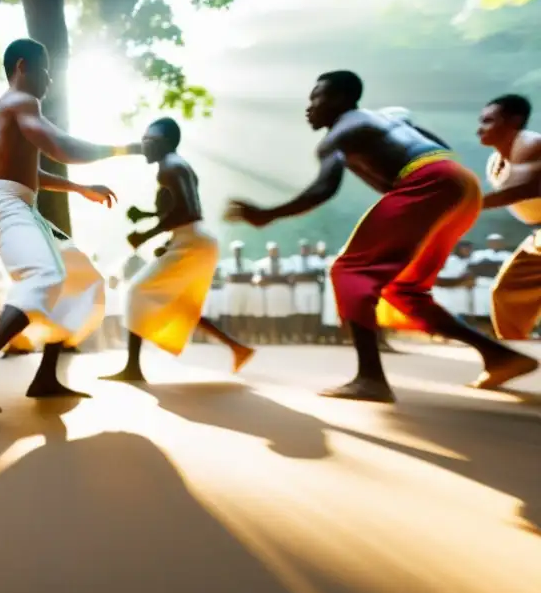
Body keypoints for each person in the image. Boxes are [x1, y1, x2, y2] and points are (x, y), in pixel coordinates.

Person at [226, 72, 537, 402]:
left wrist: (267, 214)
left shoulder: (339, 133)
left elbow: (323, 189)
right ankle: (500, 356)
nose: (310, 107)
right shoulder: (386, 119)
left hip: (427, 183)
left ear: (343, 100)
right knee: (403, 289)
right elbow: (440, 148)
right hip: (461, 183)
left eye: (317, 98)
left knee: (349, 270)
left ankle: (370, 379)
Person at [0, 38, 135, 413]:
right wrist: (122, 149)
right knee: (43, 276)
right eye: (45, 69)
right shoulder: (22, 101)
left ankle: (46, 376)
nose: (50, 79)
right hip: (6, 207)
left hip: (16, 204)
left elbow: (31, 170)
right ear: (22, 67)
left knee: (77, 276)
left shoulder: (10, 109)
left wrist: (79, 188)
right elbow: (59, 146)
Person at [101, 117, 252, 382]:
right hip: (194, 241)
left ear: (167, 143)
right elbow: (179, 209)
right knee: (182, 305)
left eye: (152, 141)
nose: (145, 145)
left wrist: (146, 235)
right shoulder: (176, 165)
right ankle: (238, 348)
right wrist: (148, 216)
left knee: (136, 291)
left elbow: (187, 211)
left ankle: (132, 368)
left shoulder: (169, 167)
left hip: (193, 242)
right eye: (144, 140)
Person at [477, 94, 541, 339]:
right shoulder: (495, 160)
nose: (479, 129)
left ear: (514, 121)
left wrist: (465, 204)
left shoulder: (531, 144)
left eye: (488, 121)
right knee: (506, 294)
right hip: (538, 236)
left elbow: (523, 190)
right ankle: (515, 356)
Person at [289, 239, 325, 343]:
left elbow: (319, 272)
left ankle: (313, 335)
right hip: (300, 287)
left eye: (306, 248)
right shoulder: (294, 259)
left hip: (313, 287)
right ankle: (301, 335)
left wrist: (306, 275)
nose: (304, 250)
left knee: (314, 311)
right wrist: (305, 276)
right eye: (302, 248)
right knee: (301, 311)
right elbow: (293, 275)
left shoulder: (315, 259)